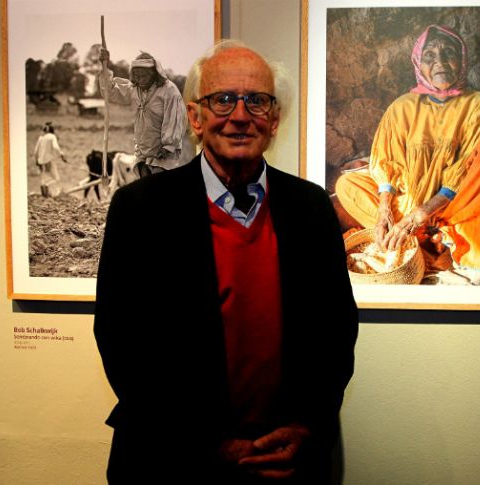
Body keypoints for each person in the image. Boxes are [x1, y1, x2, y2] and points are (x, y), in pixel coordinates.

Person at [94, 40, 358, 484]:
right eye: (223, 100)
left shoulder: (310, 207)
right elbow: (122, 341)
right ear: (195, 117)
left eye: (257, 101)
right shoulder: (141, 209)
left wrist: (306, 425)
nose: (240, 116)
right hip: (169, 462)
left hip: (287, 463)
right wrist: (203, 444)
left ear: (274, 121)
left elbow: (335, 330)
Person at [334, 24, 480, 277]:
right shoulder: (402, 106)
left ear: (461, 60)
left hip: (453, 203)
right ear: (419, 64)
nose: (440, 62)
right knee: (347, 186)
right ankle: (416, 237)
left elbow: (464, 169)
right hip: (405, 203)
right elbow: (387, 161)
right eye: (430, 56)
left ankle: (435, 236)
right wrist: (385, 209)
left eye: (448, 53)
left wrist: (423, 212)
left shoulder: (477, 104)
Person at [98, 49, 188, 179]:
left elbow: (174, 119)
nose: (140, 80)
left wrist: (168, 146)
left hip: (163, 152)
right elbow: (109, 91)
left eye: (144, 76)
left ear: (153, 73)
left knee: (159, 189)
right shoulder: (134, 90)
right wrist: (105, 66)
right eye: (137, 76)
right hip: (142, 150)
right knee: (146, 190)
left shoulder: (169, 91)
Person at [32, 121, 67, 197]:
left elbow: (35, 152)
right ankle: (52, 191)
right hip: (49, 161)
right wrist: (62, 155)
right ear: (52, 130)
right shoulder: (52, 137)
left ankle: (45, 195)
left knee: (43, 178)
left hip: (41, 162)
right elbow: (55, 147)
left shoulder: (41, 138)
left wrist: (36, 161)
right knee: (56, 178)